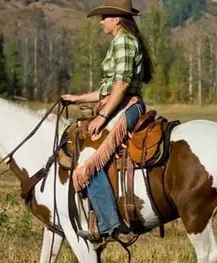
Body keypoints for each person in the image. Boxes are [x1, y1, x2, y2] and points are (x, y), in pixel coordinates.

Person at [60, 0, 154, 242]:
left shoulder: (123, 41)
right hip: (119, 105)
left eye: (105, 17)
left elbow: (121, 85)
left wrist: (102, 116)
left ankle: (108, 221)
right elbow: (108, 89)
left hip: (126, 109)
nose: (101, 22)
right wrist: (77, 98)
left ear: (117, 19)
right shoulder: (122, 41)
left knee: (90, 161)